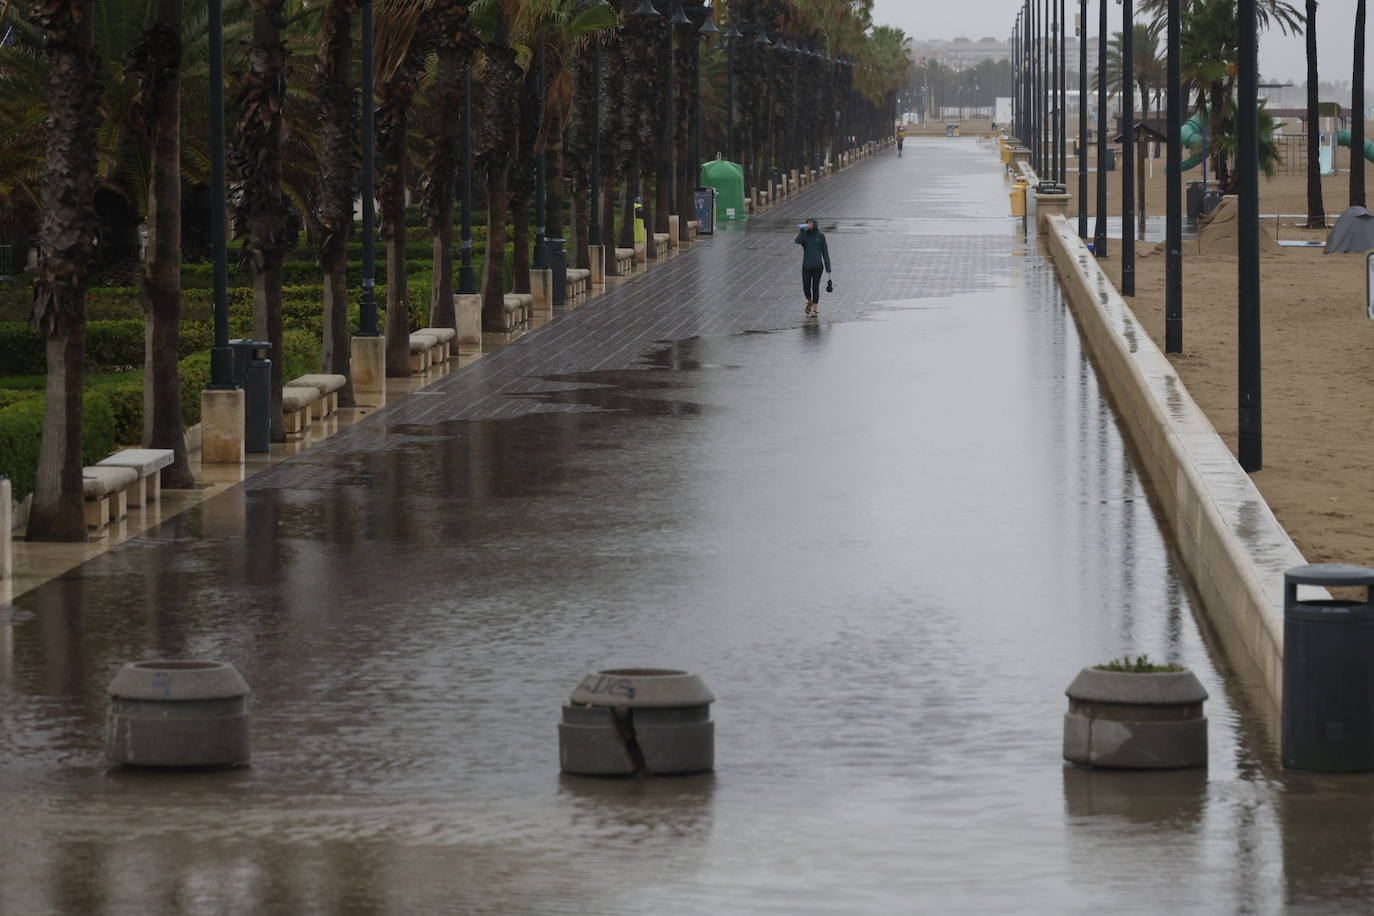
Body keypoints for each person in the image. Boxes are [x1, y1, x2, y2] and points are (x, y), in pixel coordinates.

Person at [794, 218, 831, 318]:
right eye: (807, 223)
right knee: (806, 287)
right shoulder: (805, 236)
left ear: (815, 224)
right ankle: (809, 301)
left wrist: (828, 267)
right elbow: (797, 241)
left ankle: (815, 309)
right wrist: (802, 231)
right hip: (806, 266)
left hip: (818, 267)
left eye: (810, 223)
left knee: (815, 287)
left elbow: (825, 252)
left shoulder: (820, 236)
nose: (809, 224)